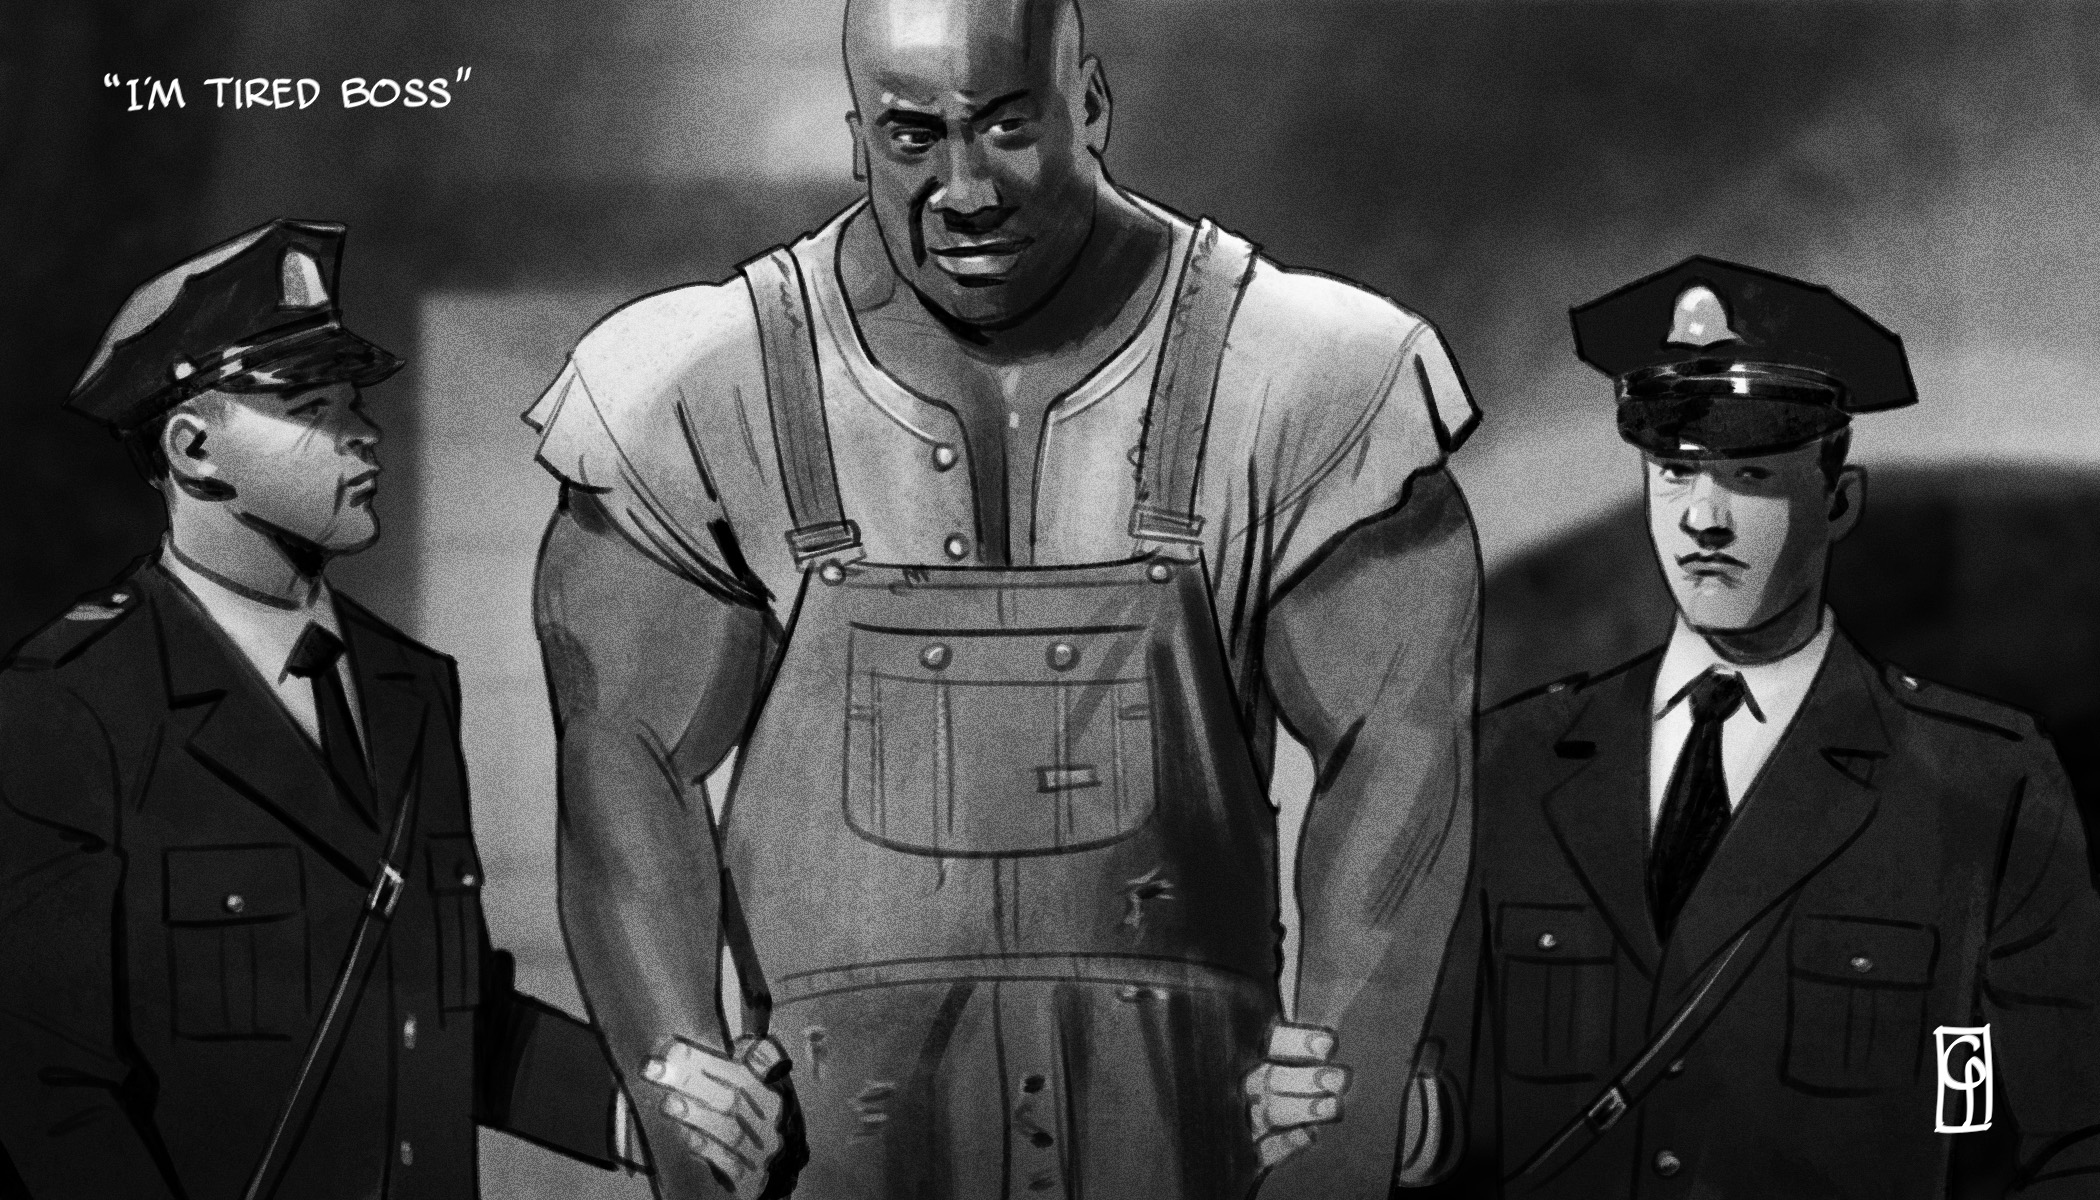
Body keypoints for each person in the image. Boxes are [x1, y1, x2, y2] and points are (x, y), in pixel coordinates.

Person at [523, 0, 1483, 1195]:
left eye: (1008, 126)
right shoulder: (696, 392)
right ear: (857, 136)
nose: (966, 190)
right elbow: (624, 763)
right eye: (912, 135)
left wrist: (1344, 1112)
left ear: (1092, 105)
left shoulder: (1311, 379)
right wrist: (687, 1090)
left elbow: (1400, 758)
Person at [1406, 256, 2100, 1196]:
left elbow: (2070, 1139)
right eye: (1674, 472)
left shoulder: (1981, 791)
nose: (1704, 518)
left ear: (1838, 502)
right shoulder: (1516, 763)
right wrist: (1384, 1126)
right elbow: (1455, 1105)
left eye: (1750, 475)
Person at [0, 219, 636, 1198]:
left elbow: (447, 1014)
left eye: (355, 403)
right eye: (311, 409)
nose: (363, 433)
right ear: (194, 449)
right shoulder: (74, 705)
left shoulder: (408, 688)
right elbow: (48, 1091)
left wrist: (643, 1114)